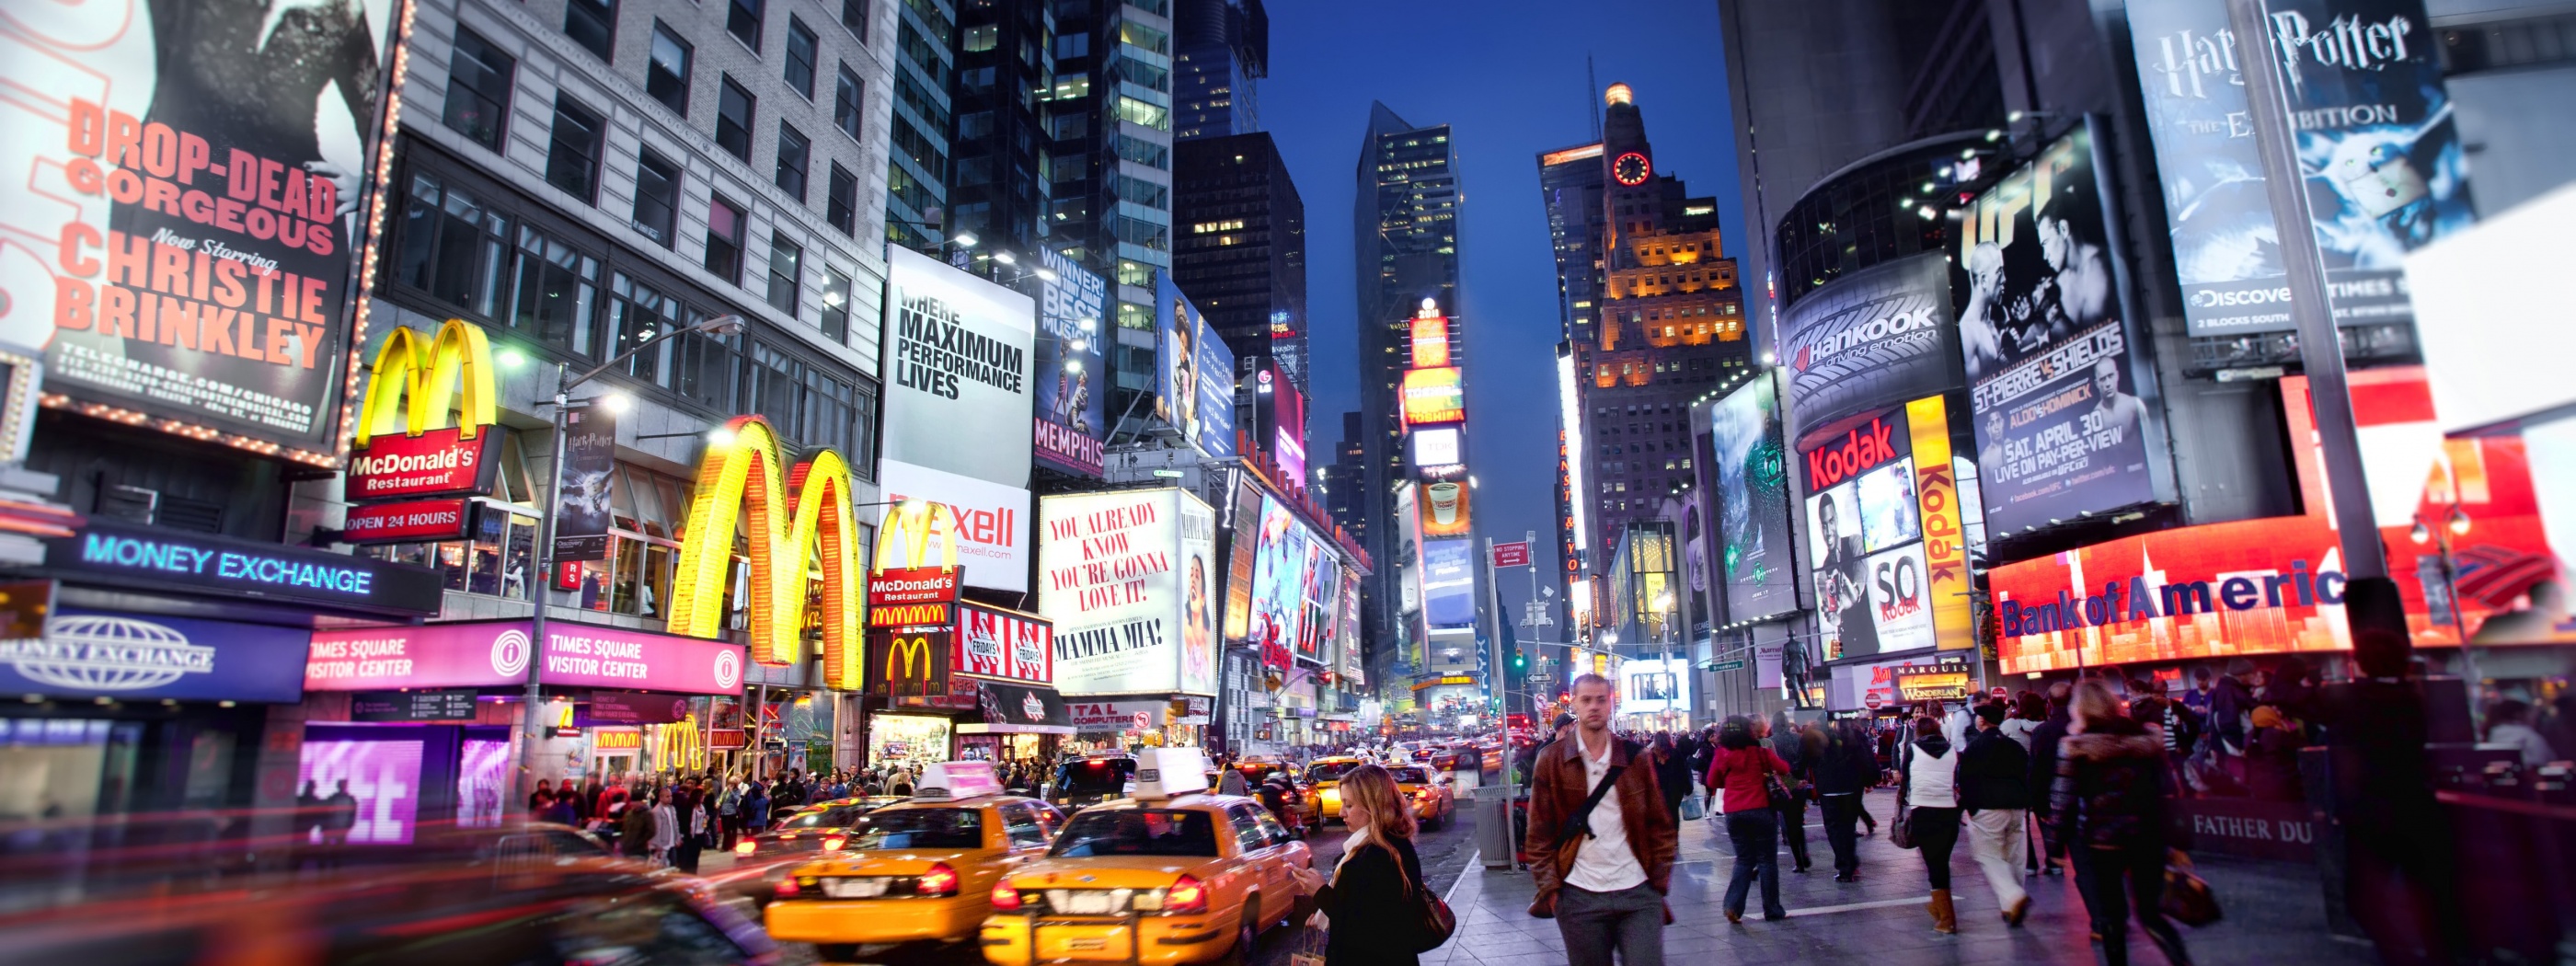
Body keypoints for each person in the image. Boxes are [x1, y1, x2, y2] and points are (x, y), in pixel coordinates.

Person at [1524, 674, 1677, 966]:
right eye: (1586, 700)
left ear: (1610, 704)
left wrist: (1658, 882)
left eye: (1601, 699)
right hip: (1579, 897)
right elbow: (1538, 835)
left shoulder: (1636, 758)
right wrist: (1553, 892)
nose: (1594, 706)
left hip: (1638, 893)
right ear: (1575, 704)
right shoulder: (1552, 760)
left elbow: (1662, 825)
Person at [2051, 681, 2191, 966]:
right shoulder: (2146, 738)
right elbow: (2166, 789)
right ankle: (2181, 961)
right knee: (2151, 913)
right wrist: (2176, 837)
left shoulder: (2076, 746)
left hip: (2102, 838)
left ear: (2080, 708)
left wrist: (2056, 842)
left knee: (2111, 914)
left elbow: (2063, 797)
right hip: (2148, 834)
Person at [1286, 764, 1431, 966]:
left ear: (1373, 806)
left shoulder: (1381, 856)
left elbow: (1369, 930)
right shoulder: (1379, 846)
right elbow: (1360, 907)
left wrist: (1321, 893)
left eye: (1349, 805)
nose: (1341, 812)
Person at [1707, 716, 1791, 923]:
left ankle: (1733, 907)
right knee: (1767, 861)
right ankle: (1772, 910)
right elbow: (1784, 769)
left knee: (1744, 859)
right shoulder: (1760, 753)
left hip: (1734, 813)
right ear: (1750, 732)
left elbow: (1712, 781)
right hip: (1762, 810)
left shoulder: (1721, 755)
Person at [1958, 703, 2033, 926]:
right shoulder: (2014, 746)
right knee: (2015, 856)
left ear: (1981, 721)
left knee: (1989, 855)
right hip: (2017, 805)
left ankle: (2013, 896)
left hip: (1987, 807)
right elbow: (2026, 774)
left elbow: (1966, 781)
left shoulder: (1975, 747)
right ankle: (2010, 906)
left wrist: (1968, 809)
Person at [1898, 716, 1963, 934]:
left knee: (1934, 864)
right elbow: (1957, 779)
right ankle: (1940, 908)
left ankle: (1946, 919)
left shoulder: (1913, 749)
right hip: (1949, 813)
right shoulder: (1952, 750)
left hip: (1923, 812)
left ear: (1918, 732)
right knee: (1941, 861)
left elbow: (1905, 779)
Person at [1812, 720, 1874, 881]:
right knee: (1848, 826)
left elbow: (1806, 761)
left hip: (1828, 789)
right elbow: (1866, 758)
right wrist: (1870, 779)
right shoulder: (1856, 735)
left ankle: (1844, 865)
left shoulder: (1818, 736)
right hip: (1851, 787)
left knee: (1834, 828)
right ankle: (1851, 863)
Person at [2026, 681, 2076, 877]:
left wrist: (2036, 800)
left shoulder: (2043, 731)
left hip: (2051, 795)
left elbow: (2036, 769)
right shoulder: (2081, 726)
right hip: (2083, 798)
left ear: (2050, 703)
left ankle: (2054, 861)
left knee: (2049, 828)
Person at [1767, 712, 1814, 874]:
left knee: (1788, 823)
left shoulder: (1772, 741)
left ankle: (1798, 861)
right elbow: (1805, 760)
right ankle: (1805, 852)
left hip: (1785, 785)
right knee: (1798, 821)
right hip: (1801, 783)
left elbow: (1773, 768)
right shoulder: (1798, 738)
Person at [2484, 699, 2558, 766]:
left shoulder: (2492, 733)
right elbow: (2544, 760)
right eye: (2529, 712)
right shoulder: (2528, 735)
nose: (2534, 717)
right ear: (2518, 714)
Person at [620, 791, 659, 859]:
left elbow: (652, 831)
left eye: (634, 802)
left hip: (640, 850)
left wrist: (640, 841)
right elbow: (624, 829)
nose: (631, 804)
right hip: (627, 848)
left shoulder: (647, 814)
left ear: (640, 802)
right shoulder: (629, 814)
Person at [649, 789, 680, 867]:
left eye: (670, 796)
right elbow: (656, 830)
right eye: (667, 796)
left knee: (672, 866)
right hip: (662, 846)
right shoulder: (656, 811)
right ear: (661, 798)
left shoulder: (672, 809)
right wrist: (658, 845)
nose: (670, 798)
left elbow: (676, 825)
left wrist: (678, 838)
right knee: (661, 868)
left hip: (672, 843)